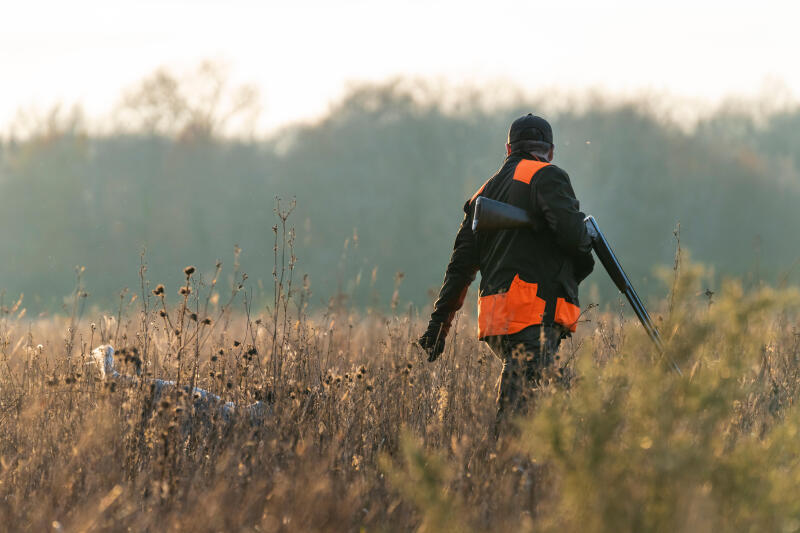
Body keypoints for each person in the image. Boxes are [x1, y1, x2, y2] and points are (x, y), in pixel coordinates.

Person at [418, 114, 594, 432]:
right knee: (518, 417)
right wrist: (584, 242)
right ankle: (505, 472)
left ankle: (548, 472)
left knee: (560, 407)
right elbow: (574, 238)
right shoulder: (547, 176)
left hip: (497, 321)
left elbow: (460, 267)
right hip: (531, 315)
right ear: (550, 151)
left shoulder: (481, 195)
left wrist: (439, 324)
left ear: (508, 148)